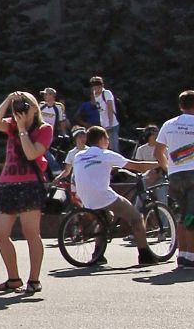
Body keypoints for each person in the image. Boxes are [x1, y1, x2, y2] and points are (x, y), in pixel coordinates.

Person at [66, 126, 166, 267]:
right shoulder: (106, 154)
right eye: (107, 138)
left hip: (84, 195)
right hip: (102, 195)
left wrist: (113, 168)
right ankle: (145, 255)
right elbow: (137, 166)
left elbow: (92, 168)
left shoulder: (79, 155)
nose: (108, 141)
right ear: (101, 139)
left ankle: (98, 254)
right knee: (137, 219)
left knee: (106, 218)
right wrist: (161, 163)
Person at [0, 91, 54, 296]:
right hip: (8, 184)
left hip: (30, 185)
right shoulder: (11, 125)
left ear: (35, 108)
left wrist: (23, 129)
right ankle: (13, 278)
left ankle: (34, 279)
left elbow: (32, 153)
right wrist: (8, 99)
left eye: (24, 105)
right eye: (17, 107)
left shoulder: (45, 129)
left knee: (30, 233)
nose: (19, 110)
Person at [155, 89, 194, 267]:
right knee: (192, 216)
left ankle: (182, 254)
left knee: (183, 215)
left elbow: (158, 152)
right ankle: (191, 256)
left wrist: (168, 168)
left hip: (176, 175)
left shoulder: (168, 124)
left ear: (180, 106)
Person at [132, 125, 166, 204]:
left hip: (160, 178)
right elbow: (138, 166)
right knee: (139, 203)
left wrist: (156, 175)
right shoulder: (141, 149)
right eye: (154, 134)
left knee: (162, 201)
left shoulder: (163, 149)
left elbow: (165, 164)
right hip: (145, 178)